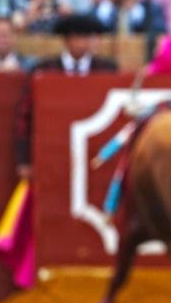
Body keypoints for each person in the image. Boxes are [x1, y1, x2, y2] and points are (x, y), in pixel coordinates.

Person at [13, 13, 117, 179]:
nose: (82, 42)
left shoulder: (107, 69)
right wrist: (24, 160)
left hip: (96, 153)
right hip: (52, 150)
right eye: (77, 36)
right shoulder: (43, 70)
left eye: (86, 36)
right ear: (66, 39)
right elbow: (24, 116)